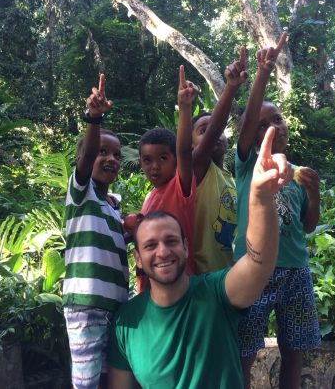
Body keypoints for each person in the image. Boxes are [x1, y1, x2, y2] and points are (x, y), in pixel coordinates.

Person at [107, 126, 292, 389]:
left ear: (185, 247)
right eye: (150, 245)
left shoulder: (216, 293)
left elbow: (258, 264)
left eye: (171, 241)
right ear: (137, 258)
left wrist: (261, 198)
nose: (162, 251)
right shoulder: (126, 322)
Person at [233, 33, 321, 389]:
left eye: (279, 119)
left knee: (294, 348)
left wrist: (314, 195)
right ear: (253, 134)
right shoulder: (246, 165)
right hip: (253, 270)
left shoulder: (301, 174)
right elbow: (246, 121)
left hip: (295, 271)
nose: (275, 127)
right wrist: (263, 73)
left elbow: (308, 227)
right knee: (245, 349)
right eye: (264, 123)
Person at [63, 74, 128, 389]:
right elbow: (88, 154)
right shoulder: (80, 194)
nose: (111, 159)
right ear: (84, 158)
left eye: (116, 155)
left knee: (107, 377)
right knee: (86, 380)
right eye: (103, 152)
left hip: (115, 304)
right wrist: (94, 118)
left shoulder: (113, 208)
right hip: (87, 303)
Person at [136, 66, 198, 292]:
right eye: (147, 160)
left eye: (163, 158)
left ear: (174, 160)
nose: (154, 166)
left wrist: (184, 106)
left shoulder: (180, 187)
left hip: (179, 286)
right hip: (150, 289)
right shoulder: (150, 197)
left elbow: (183, 151)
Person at [192, 47, 248, 273]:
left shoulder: (229, 178)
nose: (213, 134)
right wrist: (231, 87)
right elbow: (216, 128)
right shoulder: (197, 171)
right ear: (190, 145)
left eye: (215, 130)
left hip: (228, 277)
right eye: (202, 130)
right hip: (202, 279)